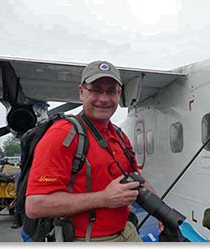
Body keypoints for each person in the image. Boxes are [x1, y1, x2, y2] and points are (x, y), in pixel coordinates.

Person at [24, 60, 154, 242]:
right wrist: (103, 198)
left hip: (127, 231)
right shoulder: (62, 135)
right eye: (95, 90)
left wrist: (164, 214)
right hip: (88, 239)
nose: (104, 98)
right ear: (81, 92)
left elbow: (136, 179)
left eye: (111, 91)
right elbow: (35, 205)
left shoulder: (119, 136)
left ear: (119, 94)